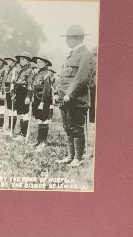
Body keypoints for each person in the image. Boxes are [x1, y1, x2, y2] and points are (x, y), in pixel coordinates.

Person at [55, 25, 96, 167]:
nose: (66, 40)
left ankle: (78, 158)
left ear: (77, 38)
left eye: (68, 38)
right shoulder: (72, 54)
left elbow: (81, 77)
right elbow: (63, 77)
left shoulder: (85, 54)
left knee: (76, 127)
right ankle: (70, 156)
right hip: (65, 98)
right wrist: (58, 93)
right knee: (67, 127)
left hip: (76, 99)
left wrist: (69, 94)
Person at [28, 56, 54, 148]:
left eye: (40, 62)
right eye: (37, 62)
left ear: (45, 63)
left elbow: (47, 90)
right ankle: (38, 140)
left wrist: (42, 102)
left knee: (44, 119)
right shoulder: (37, 73)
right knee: (39, 119)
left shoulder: (47, 74)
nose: (38, 64)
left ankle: (43, 141)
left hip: (44, 99)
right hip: (36, 98)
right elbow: (32, 86)